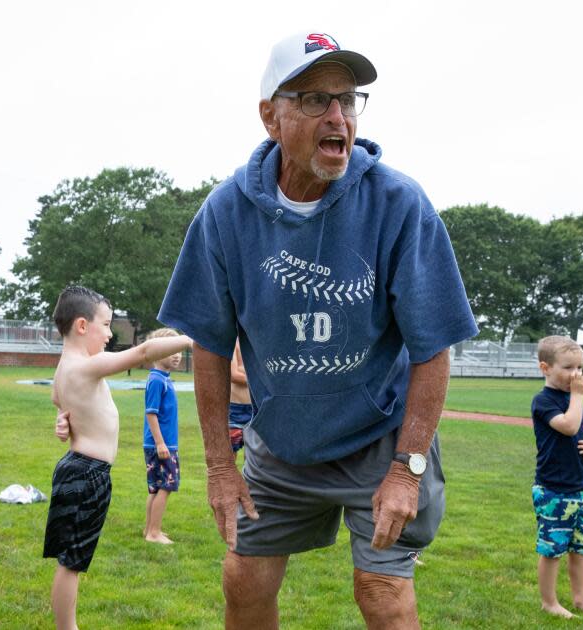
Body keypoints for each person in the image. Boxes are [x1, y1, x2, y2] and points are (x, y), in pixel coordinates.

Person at [158, 31, 478, 629]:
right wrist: (220, 467)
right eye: (313, 99)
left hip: (380, 439)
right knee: (242, 580)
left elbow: (434, 348)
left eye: (348, 99)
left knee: (381, 591)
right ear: (270, 117)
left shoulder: (400, 205)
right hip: (282, 442)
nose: (338, 116)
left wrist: (406, 470)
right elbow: (208, 344)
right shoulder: (225, 213)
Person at [44, 286, 192, 630]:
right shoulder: (86, 366)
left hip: (77, 468)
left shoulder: (65, 369)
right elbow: (145, 352)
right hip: (87, 473)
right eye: (107, 325)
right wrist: (188, 340)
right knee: (72, 562)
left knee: (71, 560)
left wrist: (64, 418)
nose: (110, 334)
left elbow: (57, 398)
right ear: (82, 326)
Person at [531, 336, 583, 619]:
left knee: (580, 549)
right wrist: (578, 396)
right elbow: (567, 426)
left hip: (580, 488)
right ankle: (549, 602)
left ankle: (581, 600)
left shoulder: (572, 398)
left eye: (579, 367)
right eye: (568, 367)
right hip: (553, 490)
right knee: (553, 550)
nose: (576, 374)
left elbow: (580, 431)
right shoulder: (543, 401)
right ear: (545, 368)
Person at [142, 327, 184, 545]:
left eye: (179, 350)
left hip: (162, 444)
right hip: (161, 445)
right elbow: (151, 414)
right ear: (158, 353)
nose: (178, 354)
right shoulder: (157, 380)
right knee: (166, 487)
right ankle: (154, 533)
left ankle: (150, 530)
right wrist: (160, 443)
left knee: (157, 487)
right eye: (172, 350)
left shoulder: (162, 378)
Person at [228, 340, 253, 457]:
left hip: (254, 409)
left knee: (253, 457)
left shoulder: (257, 342)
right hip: (235, 409)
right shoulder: (232, 343)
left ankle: (247, 476)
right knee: (229, 455)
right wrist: (258, 379)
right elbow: (234, 375)